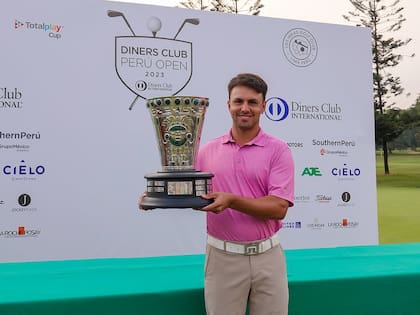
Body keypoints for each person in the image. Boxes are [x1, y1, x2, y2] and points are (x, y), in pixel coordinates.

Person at [140, 73, 294, 315]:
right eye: (238, 101)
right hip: (223, 257)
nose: (245, 108)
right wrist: (159, 195)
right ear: (229, 105)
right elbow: (191, 190)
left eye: (252, 102)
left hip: (268, 257)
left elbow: (278, 208)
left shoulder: (278, 150)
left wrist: (231, 200)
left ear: (263, 106)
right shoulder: (206, 151)